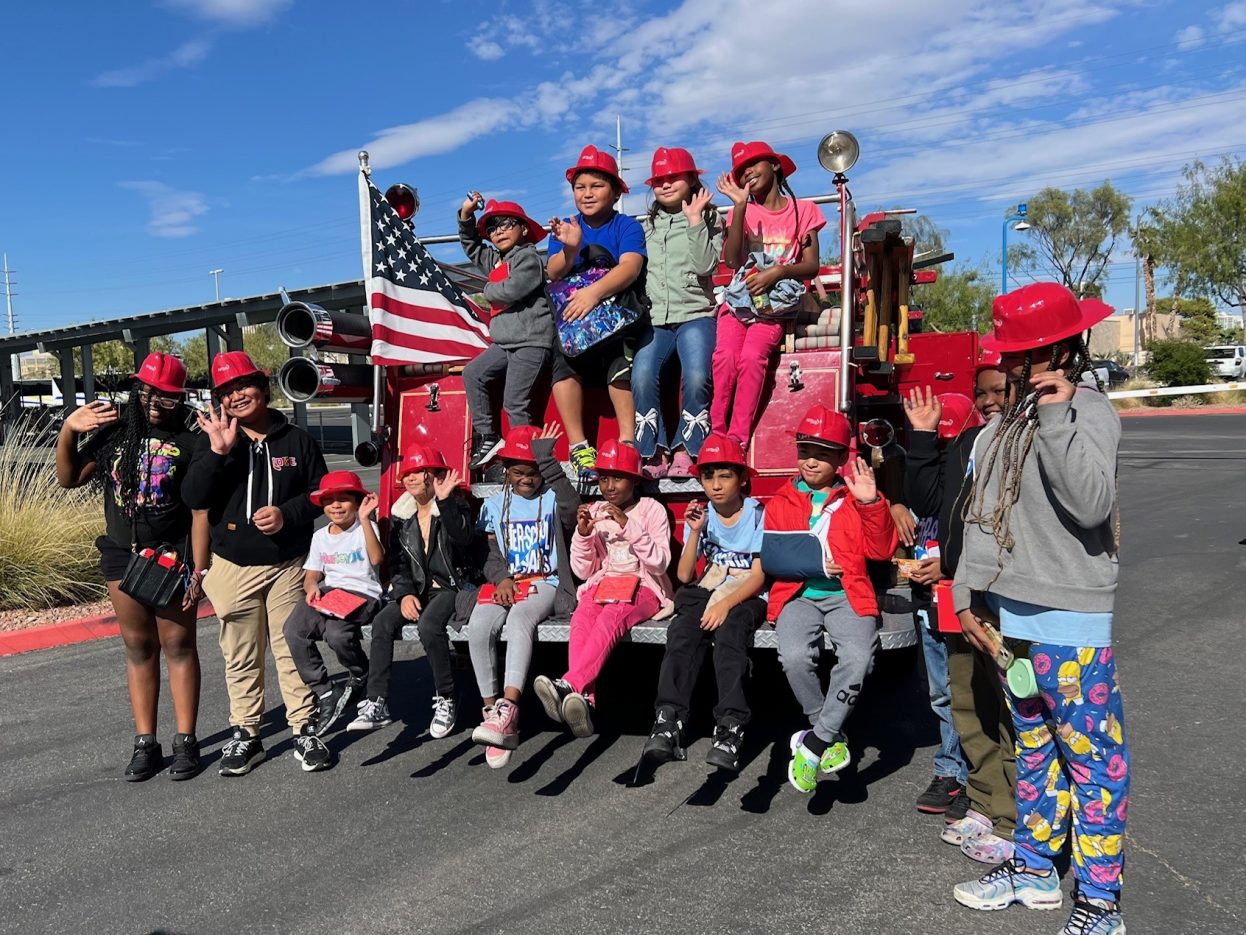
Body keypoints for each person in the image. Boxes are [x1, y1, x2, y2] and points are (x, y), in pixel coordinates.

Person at [950, 283, 1128, 935]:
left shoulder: (1089, 411)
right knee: (1034, 750)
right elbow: (978, 513)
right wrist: (966, 593)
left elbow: (1088, 503)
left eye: (1021, 355)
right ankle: (1033, 872)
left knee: (1094, 764)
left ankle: (1102, 902)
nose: (1011, 366)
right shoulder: (1003, 422)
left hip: (1070, 626)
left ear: (1056, 350)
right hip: (1009, 627)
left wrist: (1054, 415)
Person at [55, 352, 210, 781]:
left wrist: (197, 568)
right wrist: (69, 429)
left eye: (165, 395)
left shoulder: (191, 438)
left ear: (179, 397)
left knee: (179, 646)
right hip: (122, 555)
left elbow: (200, 509)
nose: (153, 400)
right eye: (146, 391)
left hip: (171, 556)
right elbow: (69, 478)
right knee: (139, 648)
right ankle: (146, 743)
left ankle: (186, 741)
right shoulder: (116, 433)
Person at [182, 350, 333, 775]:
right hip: (232, 565)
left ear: (263, 388)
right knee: (241, 654)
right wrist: (216, 453)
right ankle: (247, 735)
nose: (237, 396)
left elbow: (322, 495)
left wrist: (289, 513)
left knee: (290, 647)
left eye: (244, 385)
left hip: (287, 563)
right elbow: (194, 498)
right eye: (226, 391)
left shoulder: (296, 440)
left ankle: (304, 728)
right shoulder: (211, 440)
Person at [907, 360, 1019, 863]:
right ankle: (982, 800)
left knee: (1012, 711)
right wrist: (925, 440)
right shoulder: (968, 444)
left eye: (1002, 391)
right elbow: (928, 498)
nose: (990, 401)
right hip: (960, 595)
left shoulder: (1024, 444)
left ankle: (1012, 817)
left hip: (1005, 597)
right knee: (968, 703)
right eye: (983, 394)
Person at [762, 405, 898, 792]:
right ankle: (828, 732)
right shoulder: (780, 501)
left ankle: (815, 743)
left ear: (842, 458)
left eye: (823, 454)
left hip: (847, 594)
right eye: (805, 451)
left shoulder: (857, 498)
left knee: (858, 657)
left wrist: (872, 504)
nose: (811, 461)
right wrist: (816, 566)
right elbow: (775, 559)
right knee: (793, 658)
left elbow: (881, 549)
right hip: (798, 596)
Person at [642, 433, 767, 773]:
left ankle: (731, 727)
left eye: (725, 476)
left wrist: (725, 606)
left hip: (745, 594)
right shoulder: (704, 514)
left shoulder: (757, 515)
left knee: (729, 640)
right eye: (708, 476)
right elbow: (684, 575)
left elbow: (758, 577)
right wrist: (694, 531)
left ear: (742, 478)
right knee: (681, 634)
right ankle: (668, 721)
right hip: (708, 587)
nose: (715, 485)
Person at [533, 439, 673, 736]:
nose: (609, 486)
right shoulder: (596, 509)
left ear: (635, 479)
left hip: (644, 586)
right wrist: (583, 535)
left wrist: (627, 526)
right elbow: (583, 571)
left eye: (618, 477)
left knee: (612, 617)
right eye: (603, 478)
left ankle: (570, 683)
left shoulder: (651, 510)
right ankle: (583, 698)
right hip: (606, 583)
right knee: (582, 616)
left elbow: (660, 564)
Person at [467, 423, 578, 768]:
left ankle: (510, 710)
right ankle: (491, 712)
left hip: (545, 581)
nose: (526, 479)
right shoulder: (495, 504)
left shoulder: (551, 499)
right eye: (518, 472)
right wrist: (500, 579)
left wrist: (547, 459)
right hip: (508, 584)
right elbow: (489, 552)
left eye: (532, 472)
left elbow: (573, 506)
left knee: (519, 621)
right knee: (479, 625)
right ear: (506, 471)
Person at [350, 444, 477, 737]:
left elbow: (465, 542)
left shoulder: (455, 505)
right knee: (382, 623)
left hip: (451, 586)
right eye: (407, 473)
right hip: (417, 589)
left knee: (429, 626)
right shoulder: (401, 514)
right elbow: (396, 563)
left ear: (434, 475)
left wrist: (445, 504)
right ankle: (376, 701)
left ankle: (446, 697)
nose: (411, 478)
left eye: (419, 471)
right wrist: (404, 593)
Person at [712, 141, 827, 450]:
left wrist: (777, 272)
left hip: (774, 307)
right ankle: (716, 432)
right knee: (725, 358)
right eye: (741, 170)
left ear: (775, 165)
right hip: (739, 302)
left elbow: (811, 266)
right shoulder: (744, 211)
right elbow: (733, 261)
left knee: (752, 358)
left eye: (753, 164)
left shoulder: (804, 211)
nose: (748, 172)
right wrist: (738, 208)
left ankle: (736, 438)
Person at [901, 391, 983, 817]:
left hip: (964, 596)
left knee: (970, 690)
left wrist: (947, 565)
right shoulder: (917, 472)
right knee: (940, 692)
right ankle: (950, 769)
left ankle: (977, 774)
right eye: (935, 448)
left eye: (949, 447)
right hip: (928, 602)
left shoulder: (976, 479)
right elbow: (911, 496)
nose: (941, 458)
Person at [546, 145, 647, 475]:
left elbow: (630, 268)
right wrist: (571, 246)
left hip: (616, 320)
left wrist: (592, 294)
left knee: (620, 363)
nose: (587, 194)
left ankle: (628, 442)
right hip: (575, 326)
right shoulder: (566, 226)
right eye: (580, 187)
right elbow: (554, 272)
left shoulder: (627, 227)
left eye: (597, 186)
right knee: (562, 359)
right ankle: (578, 446)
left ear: (616, 191)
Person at [632, 147, 724, 478]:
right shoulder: (646, 226)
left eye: (674, 177)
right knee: (642, 374)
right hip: (655, 320)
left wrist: (695, 220)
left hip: (696, 314)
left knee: (698, 374)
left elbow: (705, 265)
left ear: (691, 179)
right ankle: (653, 450)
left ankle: (688, 447)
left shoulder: (711, 218)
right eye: (659, 180)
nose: (666, 184)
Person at [458, 194, 556, 469]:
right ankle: (489, 436)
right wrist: (467, 215)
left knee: (515, 403)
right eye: (492, 227)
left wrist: (487, 290)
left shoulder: (528, 258)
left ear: (523, 229)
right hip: (505, 344)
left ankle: (524, 459)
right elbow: (471, 247)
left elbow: (511, 290)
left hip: (531, 342)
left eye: (506, 224)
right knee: (473, 373)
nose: (498, 231)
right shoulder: (497, 261)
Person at [282, 470, 382, 737]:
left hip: (363, 593)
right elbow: (312, 573)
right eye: (329, 501)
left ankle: (360, 673)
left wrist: (365, 518)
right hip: (330, 591)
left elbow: (376, 559)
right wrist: (312, 586)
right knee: (293, 629)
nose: (336, 506)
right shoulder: (320, 536)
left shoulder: (366, 528)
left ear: (358, 502)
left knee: (338, 634)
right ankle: (325, 691)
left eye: (344, 499)